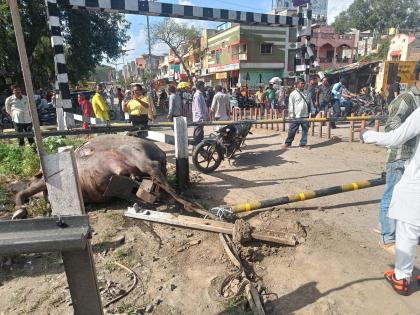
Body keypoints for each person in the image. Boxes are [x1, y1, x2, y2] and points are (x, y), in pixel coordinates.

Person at [374, 63, 420, 255]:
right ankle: (388, 238)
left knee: (406, 198)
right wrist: (410, 131)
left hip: (414, 160)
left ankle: (403, 232)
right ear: (417, 76)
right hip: (401, 156)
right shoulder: (407, 99)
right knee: (390, 196)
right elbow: (391, 127)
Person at [281, 78, 312, 149]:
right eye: (301, 83)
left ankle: (303, 144)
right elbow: (291, 105)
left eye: (303, 84)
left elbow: (310, 103)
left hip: (305, 115)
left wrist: (312, 111)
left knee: (305, 130)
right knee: (292, 130)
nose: (302, 85)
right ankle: (288, 143)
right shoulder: (293, 94)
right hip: (296, 116)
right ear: (297, 84)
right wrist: (292, 114)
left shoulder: (307, 93)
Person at [192, 81, 209, 150]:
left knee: (200, 135)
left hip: (201, 118)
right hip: (198, 119)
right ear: (200, 86)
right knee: (198, 136)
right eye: (203, 85)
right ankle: (197, 150)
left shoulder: (201, 94)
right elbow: (198, 108)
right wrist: (202, 118)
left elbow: (203, 107)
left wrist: (206, 116)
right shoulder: (197, 95)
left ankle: (197, 149)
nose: (204, 87)